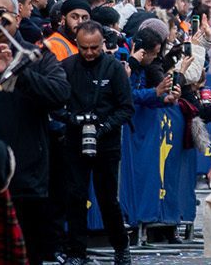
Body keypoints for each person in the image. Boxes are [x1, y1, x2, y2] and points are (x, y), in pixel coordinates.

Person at [0, 0, 70, 264]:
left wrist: (18, 71)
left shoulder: (36, 55)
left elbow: (60, 94)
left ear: (17, 18)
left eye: (1, 12)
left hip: (25, 181)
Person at [58, 21, 135, 265]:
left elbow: (126, 108)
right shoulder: (67, 66)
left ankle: (121, 247)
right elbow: (55, 103)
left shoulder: (114, 68)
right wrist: (72, 119)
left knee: (107, 199)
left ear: (103, 44)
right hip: (74, 140)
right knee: (75, 197)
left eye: (94, 48)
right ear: (76, 44)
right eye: (84, 48)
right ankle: (76, 252)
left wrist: (105, 127)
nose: (89, 53)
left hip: (107, 143)